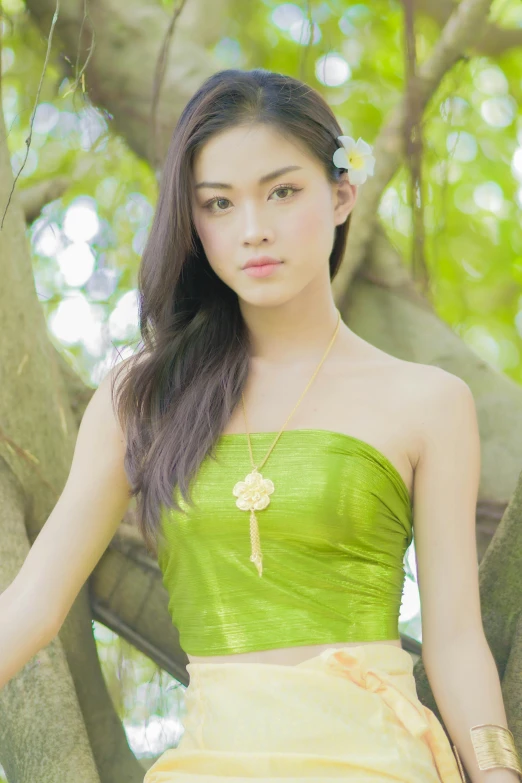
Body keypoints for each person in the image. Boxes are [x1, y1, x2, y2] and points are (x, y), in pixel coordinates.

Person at [1, 68, 521, 783]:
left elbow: (456, 640)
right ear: (193, 224)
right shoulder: (142, 397)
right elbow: (30, 607)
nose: (253, 230)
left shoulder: (428, 401)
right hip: (209, 764)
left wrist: (497, 772)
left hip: (377, 762)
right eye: (218, 204)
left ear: (342, 195)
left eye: (282, 192)